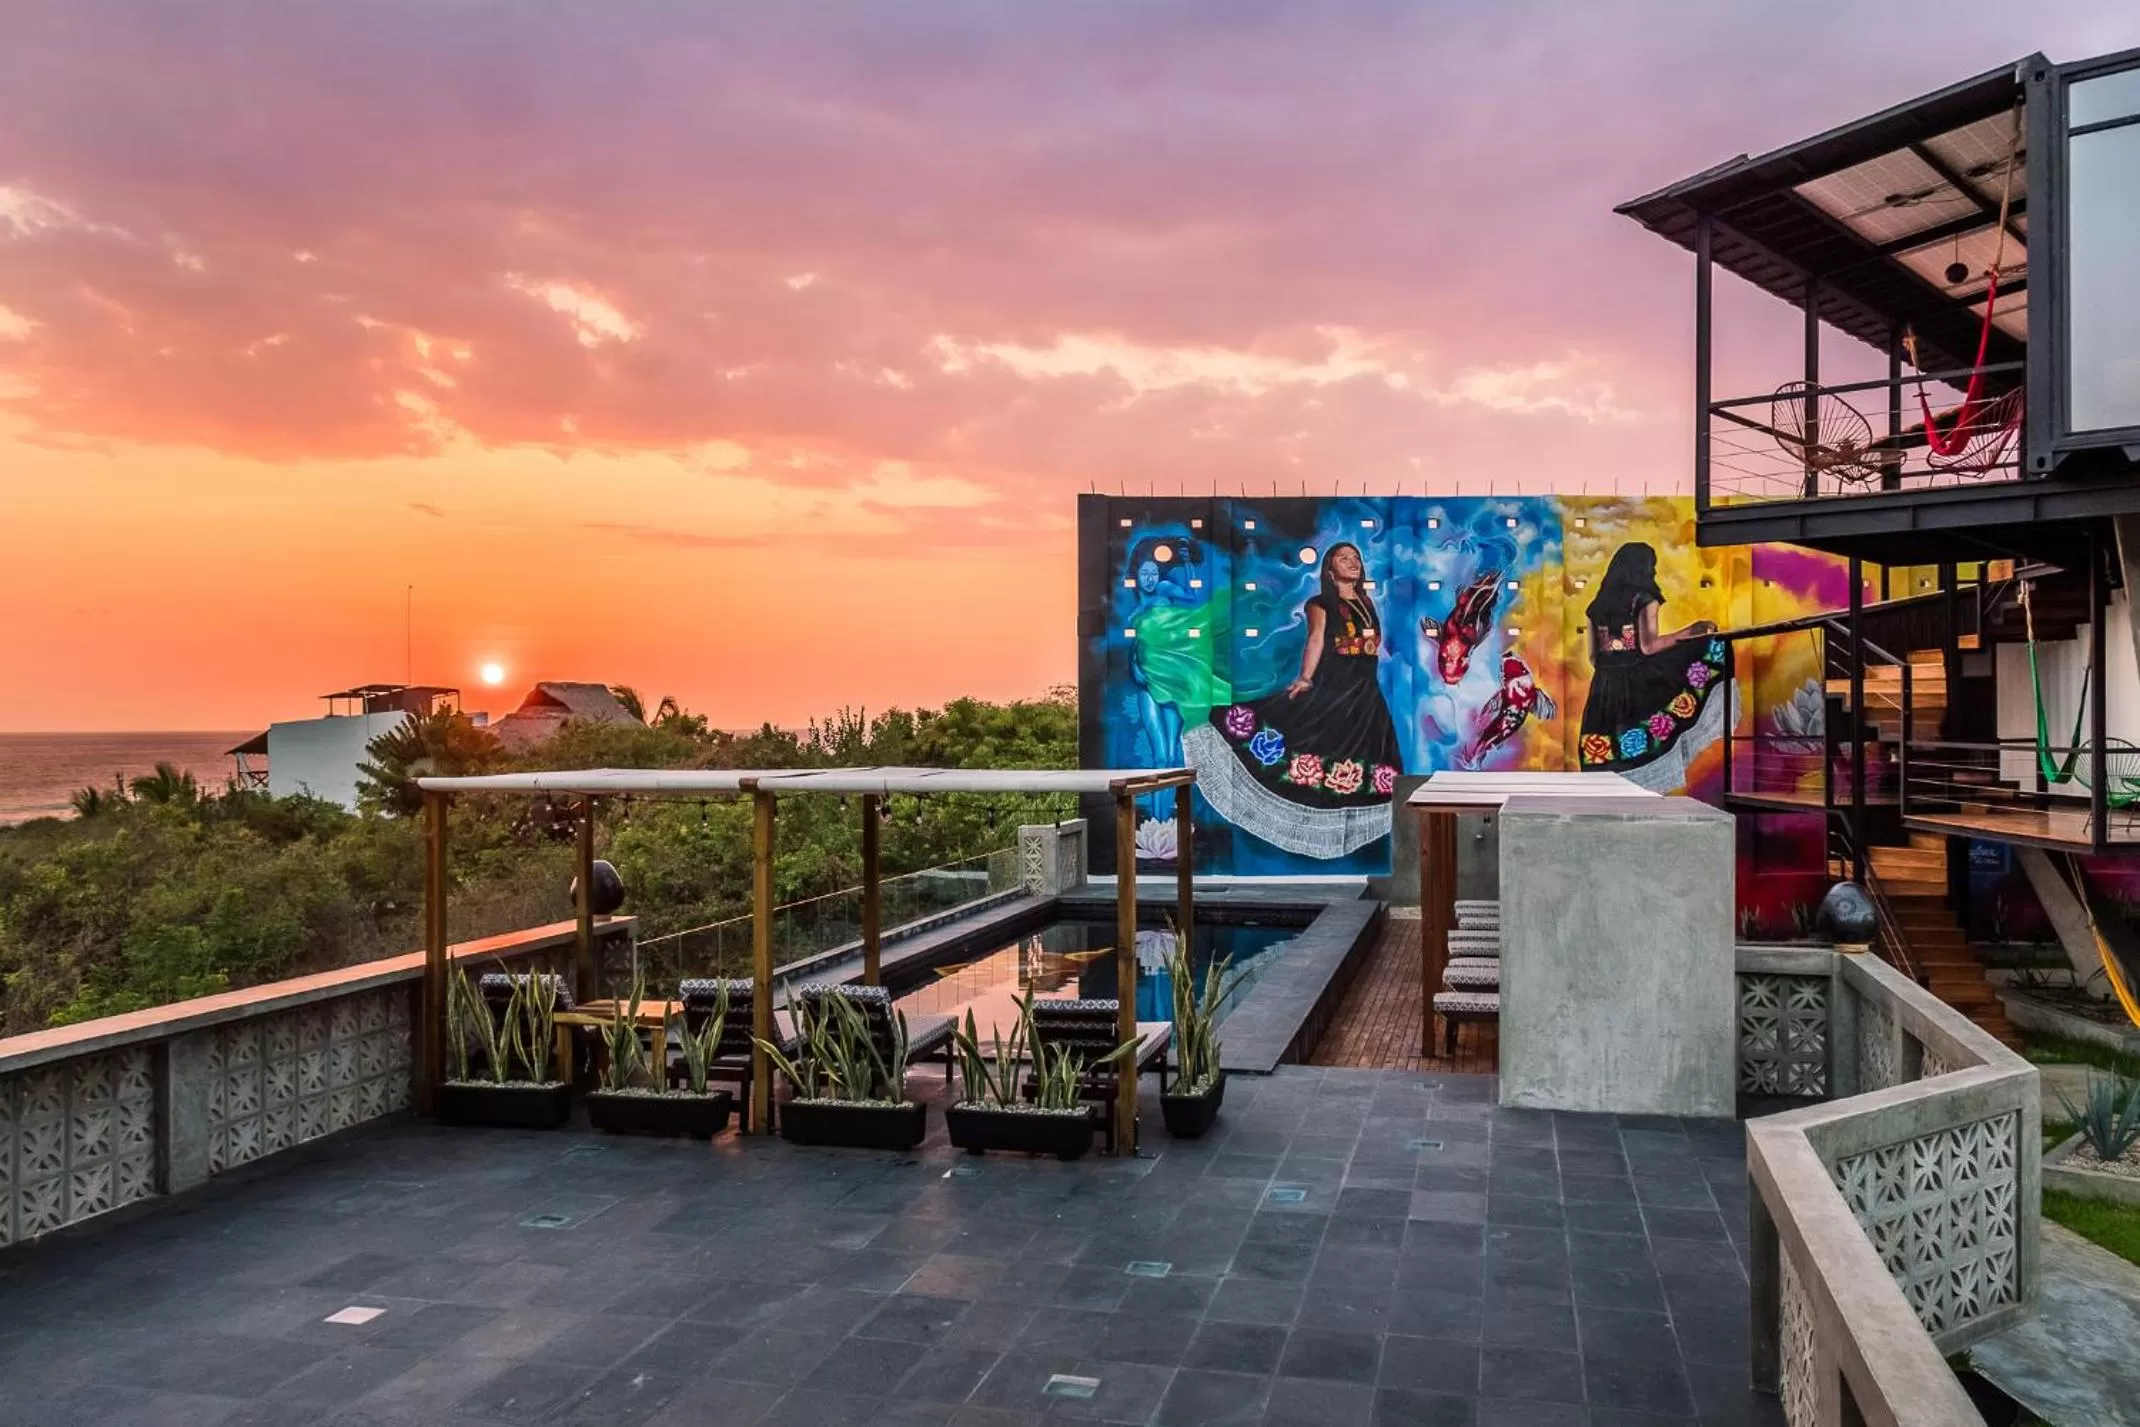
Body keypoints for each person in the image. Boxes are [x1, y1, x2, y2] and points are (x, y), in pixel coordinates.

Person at [1187, 541, 1402, 859]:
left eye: (1355, 558)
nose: (1352, 562)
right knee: (1308, 732)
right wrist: (1305, 678)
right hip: (1335, 682)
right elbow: (1315, 639)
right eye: (1344, 559)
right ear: (1330, 570)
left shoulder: (1366, 602)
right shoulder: (1319, 604)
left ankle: (1345, 826)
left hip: (1364, 688)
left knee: (1363, 750)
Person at [1578, 541, 1729, 791]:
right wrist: (1690, 632)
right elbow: (1648, 647)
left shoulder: (1596, 607)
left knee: (1606, 751)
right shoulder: (1645, 599)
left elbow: (1594, 658)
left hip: (1603, 688)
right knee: (1649, 742)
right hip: (1637, 683)